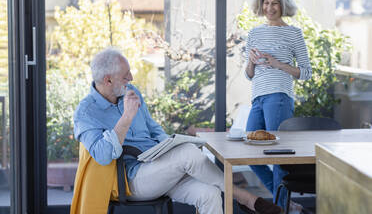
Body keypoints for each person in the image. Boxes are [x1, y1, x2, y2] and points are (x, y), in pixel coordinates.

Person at [73, 47, 282, 214]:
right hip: (132, 180)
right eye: (126, 76)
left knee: (209, 193)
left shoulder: (131, 92)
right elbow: (101, 155)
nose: (132, 79)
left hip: (160, 168)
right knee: (188, 152)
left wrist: (167, 145)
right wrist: (127, 117)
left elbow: (152, 127)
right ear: (108, 80)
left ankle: (241, 198)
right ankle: (244, 197)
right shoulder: (86, 113)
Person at [244, 0, 312, 212]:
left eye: (274, 3)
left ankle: (280, 208)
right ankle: (285, 203)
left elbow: (305, 72)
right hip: (258, 98)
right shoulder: (253, 33)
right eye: (266, 2)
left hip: (279, 96)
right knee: (249, 152)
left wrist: (278, 64)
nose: (270, 7)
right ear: (260, 4)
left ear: (283, 5)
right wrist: (251, 63)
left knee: (279, 155)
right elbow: (249, 75)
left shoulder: (293, 33)